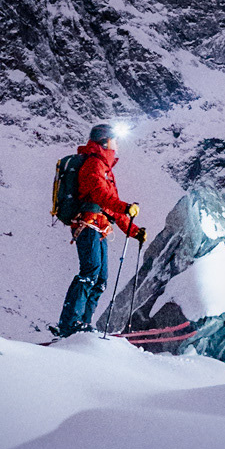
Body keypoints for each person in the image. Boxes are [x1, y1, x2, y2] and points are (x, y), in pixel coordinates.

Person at [53, 122, 146, 336]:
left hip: (100, 228)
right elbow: (98, 194)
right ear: (105, 141)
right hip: (87, 224)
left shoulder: (104, 168)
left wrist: (134, 231)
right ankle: (70, 324)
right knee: (90, 272)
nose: (117, 145)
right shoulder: (94, 164)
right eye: (114, 141)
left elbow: (110, 205)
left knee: (100, 278)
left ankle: (84, 323)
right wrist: (125, 208)